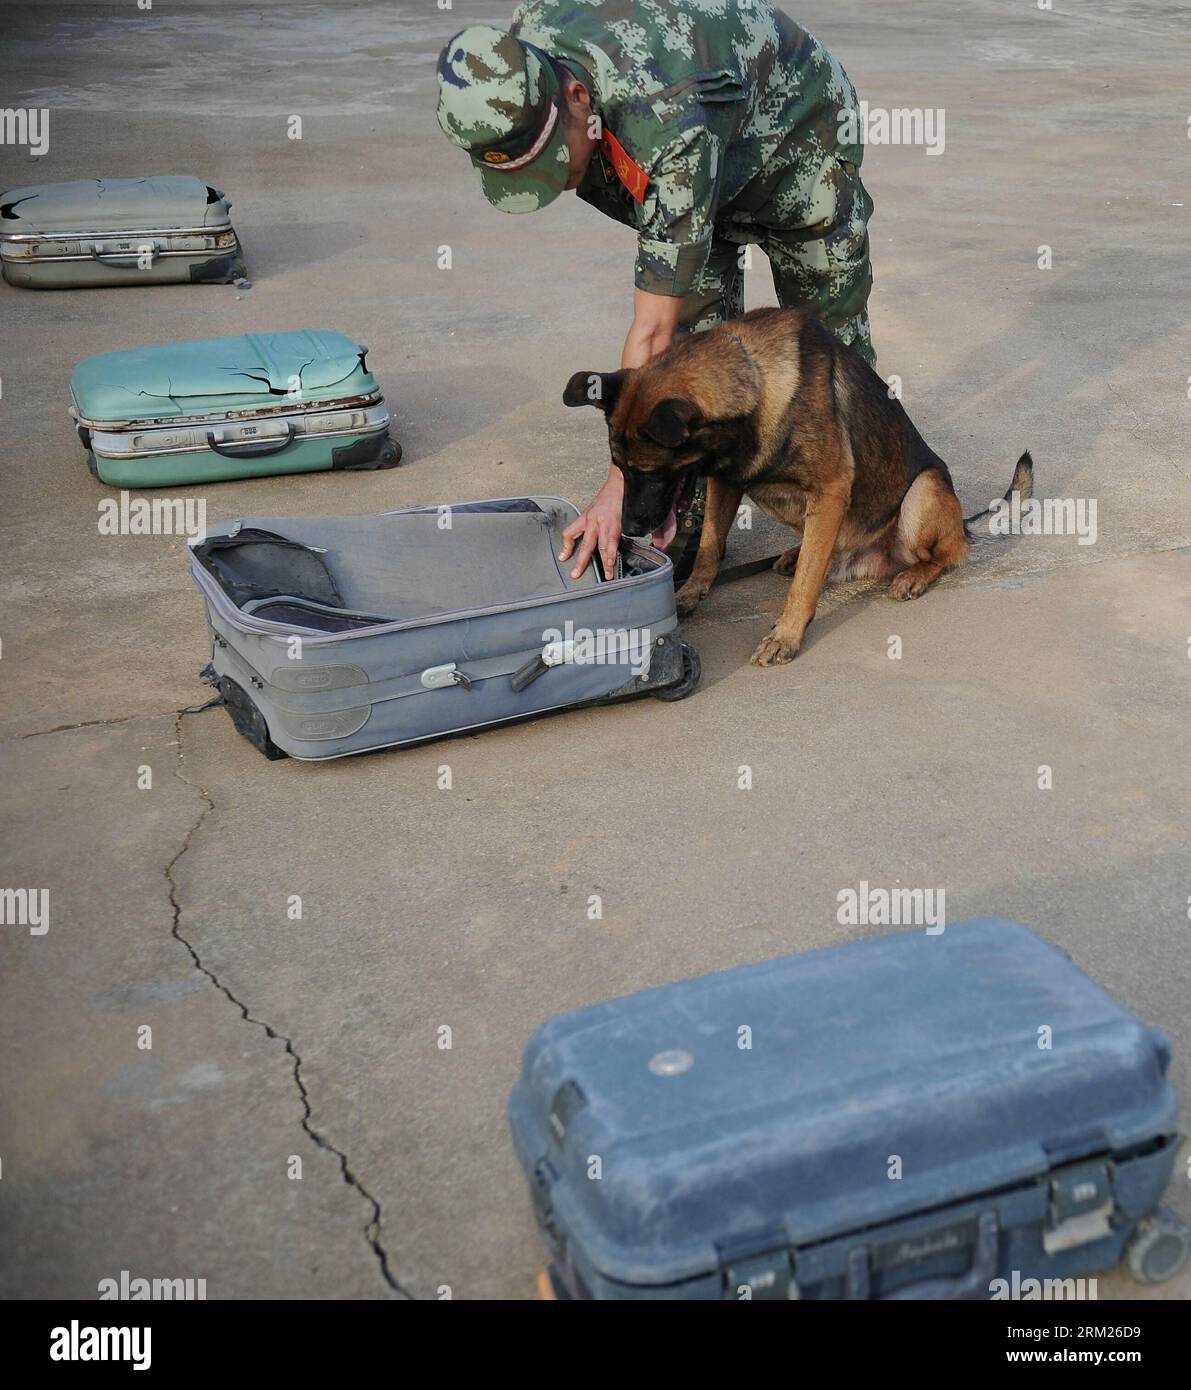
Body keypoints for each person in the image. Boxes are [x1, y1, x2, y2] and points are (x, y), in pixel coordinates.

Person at [436, 1, 875, 581]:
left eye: (557, 164)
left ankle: (868, 517)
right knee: (693, 379)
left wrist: (615, 484)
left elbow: (650, 331)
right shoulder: (517, 59)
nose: (563, 184)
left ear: (577, 99)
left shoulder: (669, 126)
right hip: (697, 142)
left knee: (831, 362)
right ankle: (679, 523)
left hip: (796, 135)